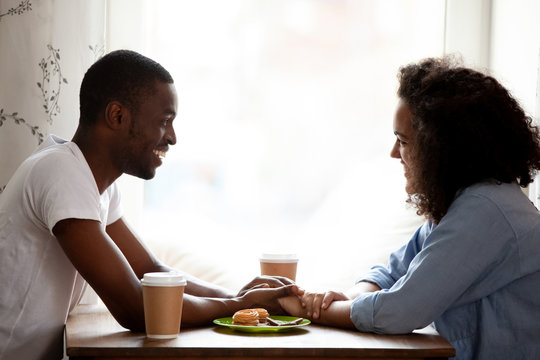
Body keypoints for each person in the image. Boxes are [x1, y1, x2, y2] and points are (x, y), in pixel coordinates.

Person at [0, 50, 294, 360]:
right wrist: (239, 307)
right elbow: (137, 308)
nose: (172, 137)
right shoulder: (60, 172)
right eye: (164, 121)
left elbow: (149, 270)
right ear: (117, 116)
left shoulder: (95, 185)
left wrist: (237, 296)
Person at [279, 56, 540, 359]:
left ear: (441, 149)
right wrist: (337, 300)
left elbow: (399, 311)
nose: (394, 153)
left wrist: (314, 311)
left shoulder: (487, 211)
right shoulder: (462, 206)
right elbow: (390, 274)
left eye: (402, 141)